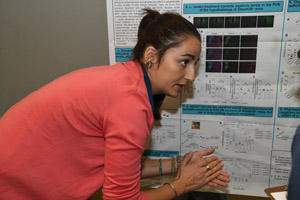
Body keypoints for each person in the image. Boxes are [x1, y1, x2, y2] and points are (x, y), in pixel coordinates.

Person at [0, 9, 230, 199]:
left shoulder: (127, 79)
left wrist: (177, 164)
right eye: (184, 62)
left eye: (195, 64)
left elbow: (118, 169)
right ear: (151, 55)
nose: (191, 75)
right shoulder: (130, 104)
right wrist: (181, 185)